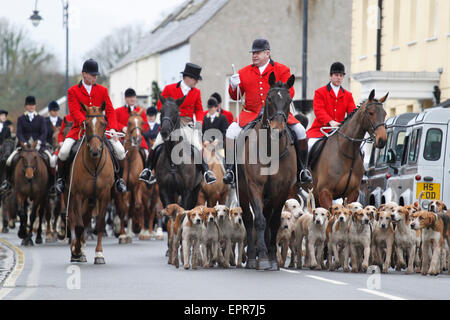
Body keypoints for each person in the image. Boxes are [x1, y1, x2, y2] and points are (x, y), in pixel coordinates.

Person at [223, 38, 312, 185]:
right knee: (231, 132)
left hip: (277, 114)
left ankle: (302, 169)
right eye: (253, 53)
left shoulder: (282, 70)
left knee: (301, 131)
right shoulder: (244, 72)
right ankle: (231, 170)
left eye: (257, 53)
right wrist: (233, 86)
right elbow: (236, 96)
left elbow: (290, 92)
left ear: (267, 53)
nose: (254, 56)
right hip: (250, 113)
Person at [55, 59, 127, 194]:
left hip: (100, 129)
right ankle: (61, 179)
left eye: (96, 75)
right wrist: (85, 123)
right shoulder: (73, 91)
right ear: (84, 74)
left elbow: (110, 111)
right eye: (92, 75)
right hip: (80, 129)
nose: (95, 77)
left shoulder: (103, 90)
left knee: (120, 151)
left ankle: (119, 179)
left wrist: (112, 128)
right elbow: (74, 111)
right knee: (64, 151)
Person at [139, 63, 217, 185]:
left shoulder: (196, 92)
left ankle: (206, 172)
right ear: (187, 78)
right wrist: (169, 113)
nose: (196, 82)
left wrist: (199, 122)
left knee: (197, 145)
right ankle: (148, 170)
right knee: (157, 144)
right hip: (170, 124)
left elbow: (199, 110)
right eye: (195, 79)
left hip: (187, 125)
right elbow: (160, 105)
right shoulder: (169, 89)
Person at [1, 96, 52, 191]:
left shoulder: (41, 118)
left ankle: (52, 183)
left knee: (51, 160)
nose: (32, 106)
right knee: (9, 160)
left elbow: (44, 132)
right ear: (26, 106)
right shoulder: (21, 118)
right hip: (23, 146)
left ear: (35, 106)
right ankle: (7, 182)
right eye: (29, 105)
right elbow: (19, 132)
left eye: (33, 105)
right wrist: (23, 142)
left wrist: (39, 142)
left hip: (39, 146)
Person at [306, 62, 357, 151]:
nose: (339, 78)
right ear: (330, 76)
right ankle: (307, 165)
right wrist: (330, 121)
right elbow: (319, 110)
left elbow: (352, 114)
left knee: (359, 148)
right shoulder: (320, 92)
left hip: (340, 131)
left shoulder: (348, 95)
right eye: (336, 75)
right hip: (321, 130)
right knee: (310, 145)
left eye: (341, 75)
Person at [114, 88, 150, 160]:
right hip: (122, 138)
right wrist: (122, 127)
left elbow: (146, 126)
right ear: (125, 99)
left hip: (137, 138)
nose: (132, 99)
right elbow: (113, 122)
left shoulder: (141, 111)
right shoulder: (118, 111)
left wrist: (138, 129)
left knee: (146, 154)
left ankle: (146, 170)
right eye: (130, 97)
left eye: (133, 97)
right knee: (114, 153)